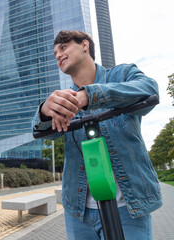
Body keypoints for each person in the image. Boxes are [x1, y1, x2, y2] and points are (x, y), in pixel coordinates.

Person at [32, 30, 162, 240]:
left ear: (84, 45)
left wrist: (89, 96)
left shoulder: (123, 74)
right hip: (79, 212)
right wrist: (45, 111)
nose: (57, 55)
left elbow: (149, 89)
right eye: (55, 52)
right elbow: (39, 130)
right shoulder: (63, 101)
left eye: (63, 47)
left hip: (128, 208)